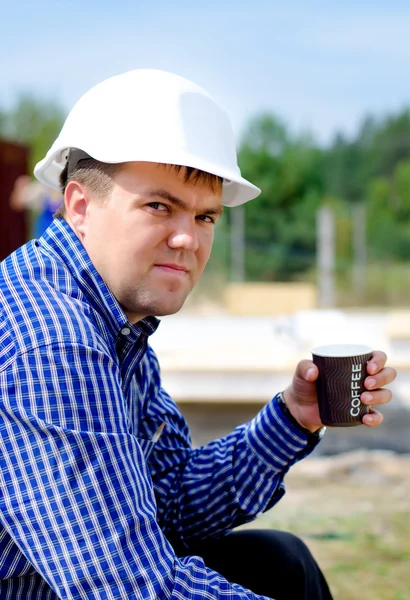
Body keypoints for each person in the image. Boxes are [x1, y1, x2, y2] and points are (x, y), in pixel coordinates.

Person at [0, 69, 396, 600]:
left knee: (280, 562)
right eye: (158, 206)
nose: (187, 238)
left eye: (206, 216)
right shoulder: (54, 340)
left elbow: (168, 505)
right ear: (79, 207)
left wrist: (294, 418)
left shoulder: (118, 320)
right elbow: (125, 585)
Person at [9, 174, 63, 238]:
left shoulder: (68, 188)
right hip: (45, 233)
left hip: (62, 232)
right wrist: (19, 187)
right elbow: (16, 203)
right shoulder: (41, 190)